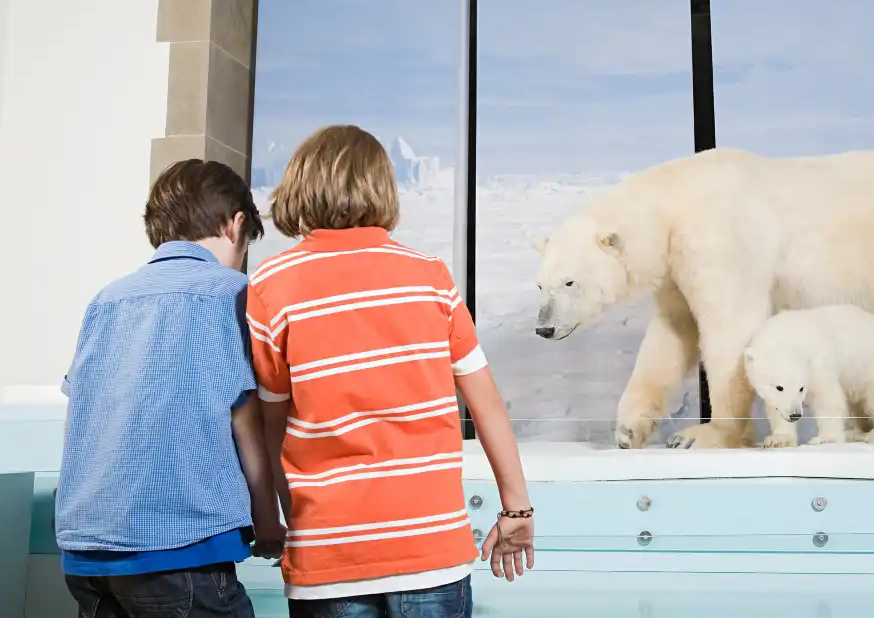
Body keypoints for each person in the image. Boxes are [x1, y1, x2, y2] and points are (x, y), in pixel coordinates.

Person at [248, 125, 534, 618]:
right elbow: (486, 403)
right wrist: (517, 509)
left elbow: (272, 424)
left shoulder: (271, 285)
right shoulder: (430, 277)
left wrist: (287, 519)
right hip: (431, 550)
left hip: (327, 554)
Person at [55, 159, 287, 617]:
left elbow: (78, 416)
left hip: (86, 551)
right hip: (179, 548)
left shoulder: (107, 299)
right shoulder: (234, 294)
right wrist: (268, 522)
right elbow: (247, 420)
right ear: (235, 224)